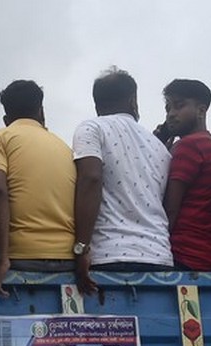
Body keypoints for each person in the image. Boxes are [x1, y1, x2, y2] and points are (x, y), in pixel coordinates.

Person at [71, 67, 173, 294]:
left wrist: (81, 248)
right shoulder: (159, 147)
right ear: (133, 101)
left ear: (97, 104)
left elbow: (91, 178)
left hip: (108, 256)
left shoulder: (91, 129)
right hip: (159, 257)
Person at [0, 80, 77, 296]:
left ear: (6, 119)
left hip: (21, 256)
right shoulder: (64, 147)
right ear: (41, 112)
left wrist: (2, 258)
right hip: (68, 258)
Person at [155, 78, 211, 271]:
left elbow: (170, 210)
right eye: (168, 108)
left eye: (179, 106)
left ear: (201, 111)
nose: (171, 114)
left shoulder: (188, 146)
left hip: (184, 255)